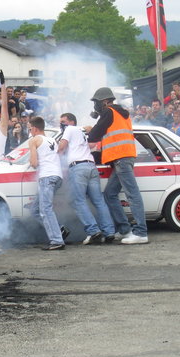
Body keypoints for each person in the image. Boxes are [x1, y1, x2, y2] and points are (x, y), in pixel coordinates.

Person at [86, 87, 148, 244]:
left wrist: (90, 128)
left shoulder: (109, 112)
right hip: (122, 158)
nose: (96, 106)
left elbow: (94, 135)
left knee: (132, 194)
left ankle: (141, 232)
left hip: (121, 158)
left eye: (97, 103)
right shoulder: (121, 112)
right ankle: (124, 230)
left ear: (105, 101)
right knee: (110, 194)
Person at [59, 112, 115, 245]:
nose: (61, 124)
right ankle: (109, 232)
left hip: (78, 168)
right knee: (99, 202)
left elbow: (61, 148)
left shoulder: (70, 129)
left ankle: (93, 231)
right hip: (91, 167)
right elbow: (91, 143)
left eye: (63, 121)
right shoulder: (81, 133)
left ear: (71, 122)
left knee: (78, 201)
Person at [28, 116, 65, 251]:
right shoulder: (53, 140)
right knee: (35, 210)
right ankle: (60, 230)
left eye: (30, 128)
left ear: (35, 128)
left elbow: (34, 163)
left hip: (47, 177)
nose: (29, 131)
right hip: (57, 176)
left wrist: (31, 160)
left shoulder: (34, 140)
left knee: (45, 210)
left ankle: (56, 240)